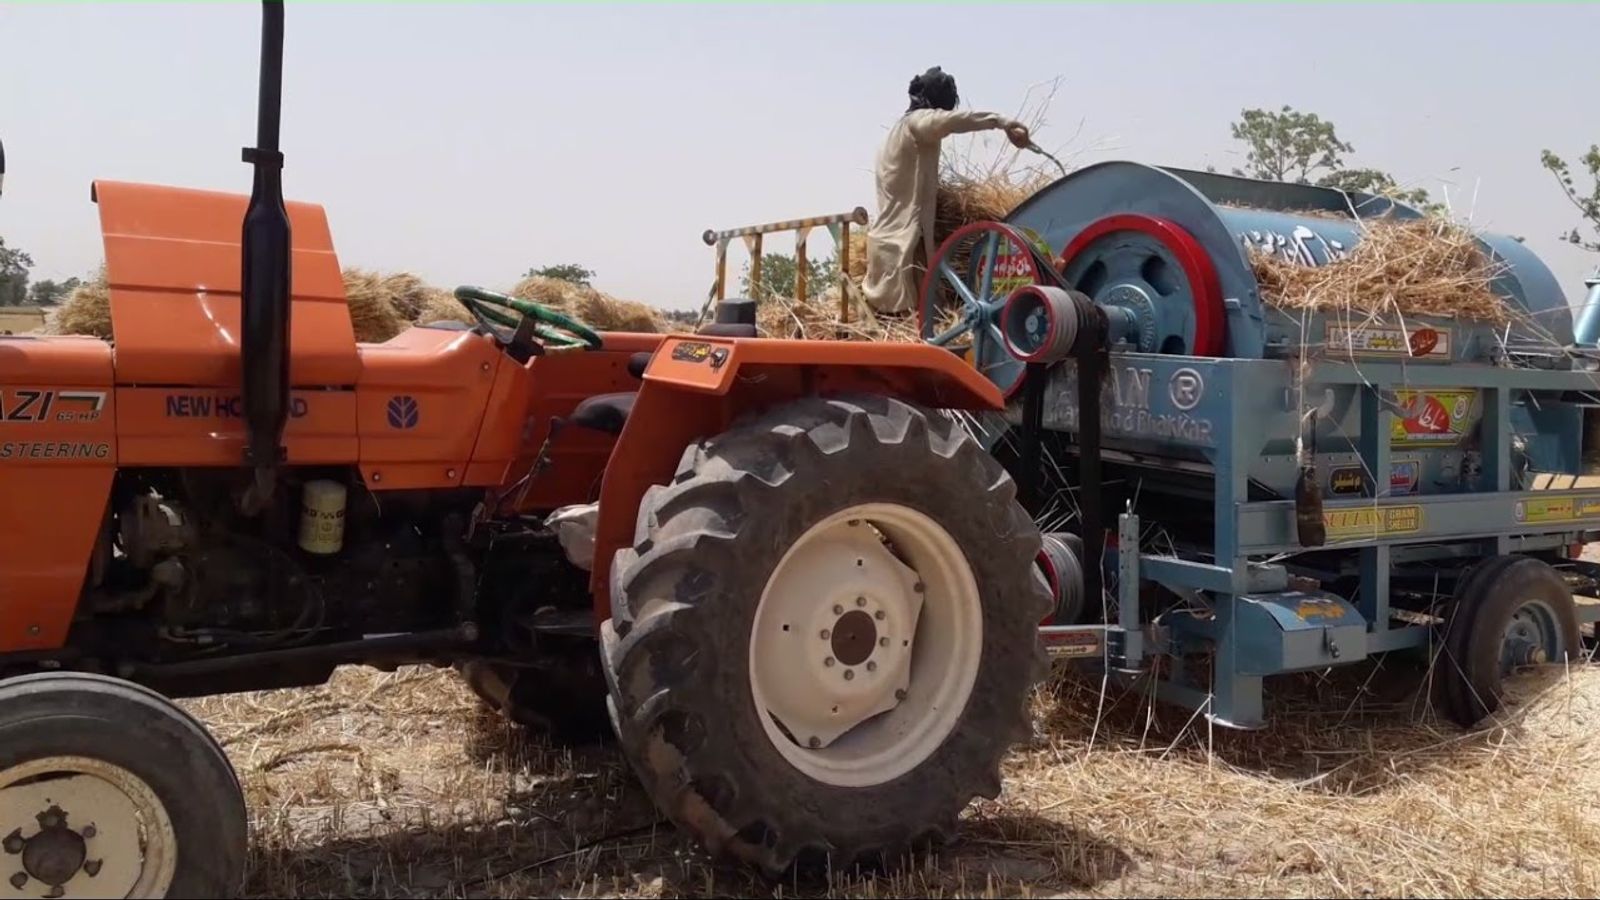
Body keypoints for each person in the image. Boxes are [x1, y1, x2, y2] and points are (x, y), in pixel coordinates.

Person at [862, 66, 1032, 316]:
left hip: (889, 242)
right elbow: (950, 121)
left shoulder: (896, 133)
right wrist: (1000, 121)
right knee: (921, 316)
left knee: (925, 311)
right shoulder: (918, 122)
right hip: (905, 246)